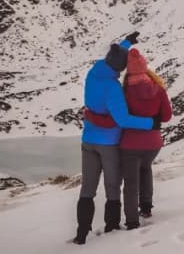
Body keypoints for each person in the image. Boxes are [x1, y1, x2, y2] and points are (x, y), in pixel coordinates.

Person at [74, 33, 161, 245]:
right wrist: (151, 123)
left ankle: (81, 234)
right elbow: (122, 119)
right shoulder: (112, 87)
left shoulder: (93, 73)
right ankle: (111, 227)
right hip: (108, 143)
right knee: (112, 187)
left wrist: (127, 43)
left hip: (88, 140)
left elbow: (114, 56)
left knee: (87, 188)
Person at [119, 47, 173, 228]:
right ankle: (146, 207)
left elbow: (120, 118)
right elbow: (166, 116)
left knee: (131, 182)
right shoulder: (158, 89)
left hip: (130, 144)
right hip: (153, 143)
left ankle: (132, 220)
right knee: (146, 169)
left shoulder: (124, 91)